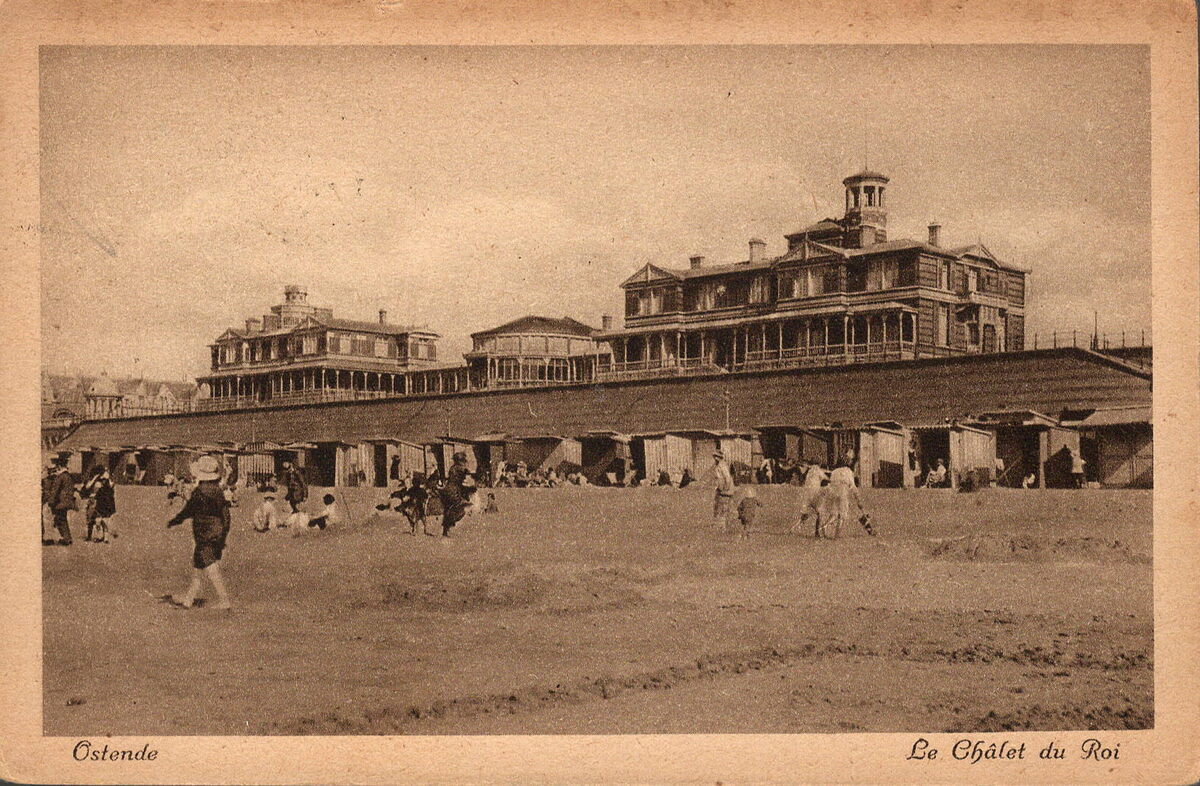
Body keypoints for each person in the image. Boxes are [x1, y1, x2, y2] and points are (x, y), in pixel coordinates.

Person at [166, 455, 232, 610]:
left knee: (209, 566)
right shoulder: (218, 492)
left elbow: (188, 510)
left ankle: (224, 601)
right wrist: (223, 535)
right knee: (198, 566)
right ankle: (188, 600)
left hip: (204, 534)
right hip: (216, 533)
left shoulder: (199, 492)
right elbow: (226, 516)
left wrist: (175, 520)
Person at [44, 456, 76, 546]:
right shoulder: (69, 476)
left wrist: (50, 502)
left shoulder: (60, 477)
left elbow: (55, 491)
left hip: (60, 502)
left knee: (60, 519)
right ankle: (67, 538)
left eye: (57, 466)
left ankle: (66, 539)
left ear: (60, 466)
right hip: (67, 501)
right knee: (62, 519)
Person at [439, 452, 471, 539]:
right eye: (463, 460)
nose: (464, 462)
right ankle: (448, 528)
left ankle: (446, 530)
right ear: (459, 461)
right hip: (453, 490)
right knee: (458, 509)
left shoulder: (452, 468)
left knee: (449, 510)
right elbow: (466, 473)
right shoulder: (459, 468)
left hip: (449, 489)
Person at [88, 466, 117, 543]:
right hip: (106, 503)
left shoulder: (100, 482)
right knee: (103, 520)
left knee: (100, 520)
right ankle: (104, 537)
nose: (107, 473)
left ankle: (103, 537)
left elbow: (94, 492)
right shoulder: (106, 481)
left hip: (102, 503)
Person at [712, 451, 736, 533]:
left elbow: (727, 478)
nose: (714, 458)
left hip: (725, 491)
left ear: (719, 457)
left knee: (724, 509)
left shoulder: (722, 466)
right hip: (720, 489)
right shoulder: (718, 466)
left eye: (716, 456)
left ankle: (724, 527)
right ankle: (721, 526)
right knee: (719, 507)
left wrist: (725, 489)